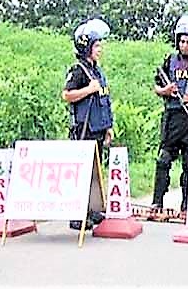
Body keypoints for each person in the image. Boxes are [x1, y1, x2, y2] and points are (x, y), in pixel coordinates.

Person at [151, 15, 188, 211]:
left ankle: (187, 204)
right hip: (172, 117)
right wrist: (165, 91)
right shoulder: (169, 61)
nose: (184, 45)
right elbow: (156, 87)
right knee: (164, 159)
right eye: (181, 41)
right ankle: (157, 200)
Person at [62, 18, 113, 230]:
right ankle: (77, 215)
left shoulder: (97, 71)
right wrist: (87, 90)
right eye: (96, 45)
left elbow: (104, 99)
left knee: (94, 174)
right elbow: (67, 95)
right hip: (84, 129)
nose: (100, 49)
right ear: (86, 47)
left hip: (98, 128)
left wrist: (109, 126)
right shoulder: (78, 70)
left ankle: (91, 210)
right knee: (82, 174)